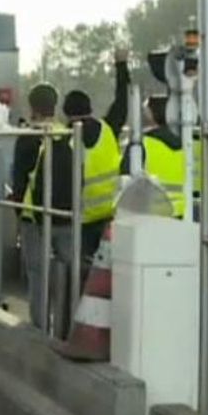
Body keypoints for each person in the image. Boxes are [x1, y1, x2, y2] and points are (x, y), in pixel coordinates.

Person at [8, 83, 75, 332]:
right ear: (54, 104)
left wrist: (17, 209)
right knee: (70, 270)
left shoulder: (28, 136)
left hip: (33, 216)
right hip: (66, 213)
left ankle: (40, 327)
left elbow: (19, 178)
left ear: (32, 106)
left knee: (37, 273)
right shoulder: (67, 133)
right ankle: (68, 326)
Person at [62, 51, 130, 267]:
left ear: (66, 113)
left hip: (79, 219)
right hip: (110, 214)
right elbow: (122, 101)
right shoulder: (108, 128)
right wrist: (121, 65)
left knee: (80, 271)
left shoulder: (63, 139)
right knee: (107, 270)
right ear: (90, 108)